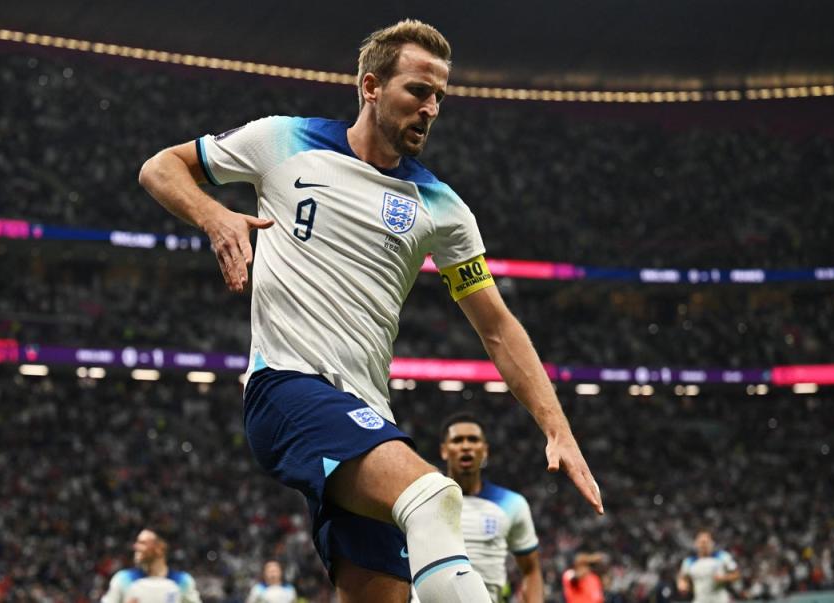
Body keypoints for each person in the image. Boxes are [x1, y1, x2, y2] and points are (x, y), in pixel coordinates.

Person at [139, 19, 602, 603]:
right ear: (371, 86)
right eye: (417, 90)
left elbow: (497, 328)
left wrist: (557, 428)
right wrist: (215, 216)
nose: (431, 108)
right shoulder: (283, 140)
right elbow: (160, 167)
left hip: (367, 415)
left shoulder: (442, 208)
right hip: (286, 390)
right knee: (434, 498)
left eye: (439, 97)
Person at [436, 412, 544, 603]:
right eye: (457, 440)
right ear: (444, 451)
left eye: (473, 440)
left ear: (485, 450)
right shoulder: (421, 499)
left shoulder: (513, 504)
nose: (466, 446)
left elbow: (531, 570)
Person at [101, 529, 202, 603]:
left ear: (160, 548)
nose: (135, 546)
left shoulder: (182, 581)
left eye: (143, 543)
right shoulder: (122, 579)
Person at [677, 530, 740, 603]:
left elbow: (737, 574)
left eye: (706, 542)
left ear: (712, 543)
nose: (704, 545)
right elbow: (683, 578)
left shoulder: (723, 556)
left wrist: (723, 578)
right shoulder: (688, 562)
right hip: (700, 600)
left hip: (720, 600)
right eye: (701, 542)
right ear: (696, 543)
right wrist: (683, 585)